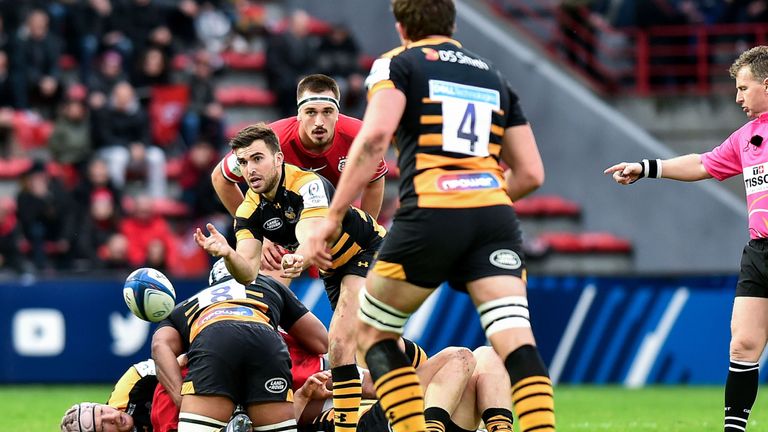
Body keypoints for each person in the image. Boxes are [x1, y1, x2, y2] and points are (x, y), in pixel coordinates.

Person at [304, 1, 555, 431]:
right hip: (494, 219)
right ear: (452, 24)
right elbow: (531, 173)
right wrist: (481, 195)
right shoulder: (492, 74)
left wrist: (331, 218)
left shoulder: (397, 65)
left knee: (374, 335)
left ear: (401, 27)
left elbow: (375, 139)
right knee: (515, 343)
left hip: (431, 212)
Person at [604, 45, 768, 432]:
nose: (737, 97)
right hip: (759, 250)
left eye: (744, 88)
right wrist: (646, 167)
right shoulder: (748, 137)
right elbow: (701, 163)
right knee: (743, 345)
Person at [197, 123, 386, 432]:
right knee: (360, 345)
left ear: (279, 158)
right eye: (243, 163)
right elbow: (247, 273)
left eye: (257, 159)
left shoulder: (306, 184)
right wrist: (228, 255)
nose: (249, 169)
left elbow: (310, 233)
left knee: (338, 344)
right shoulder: (248, 209)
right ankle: (425, 373)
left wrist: (301, 256)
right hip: (333, 267)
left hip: (369, 249)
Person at [211, 74, 387, 275]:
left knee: (348, 301)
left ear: (338, 113)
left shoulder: (360, 136)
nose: (319, 121)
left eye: (327, 112)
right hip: (282, 223)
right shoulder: (272, 140)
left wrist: (362, 234)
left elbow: (374, 182)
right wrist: (261, 234)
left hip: (335, 222)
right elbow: (220, 178)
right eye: (310, 112)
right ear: (299, 114)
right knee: (270, 291)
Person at [151, 258, 327, 432]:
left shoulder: (186, 306)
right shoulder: (268, 284)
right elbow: (321, 341)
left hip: (213, 342)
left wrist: (180, 398)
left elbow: (160, 345)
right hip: (266, 343)